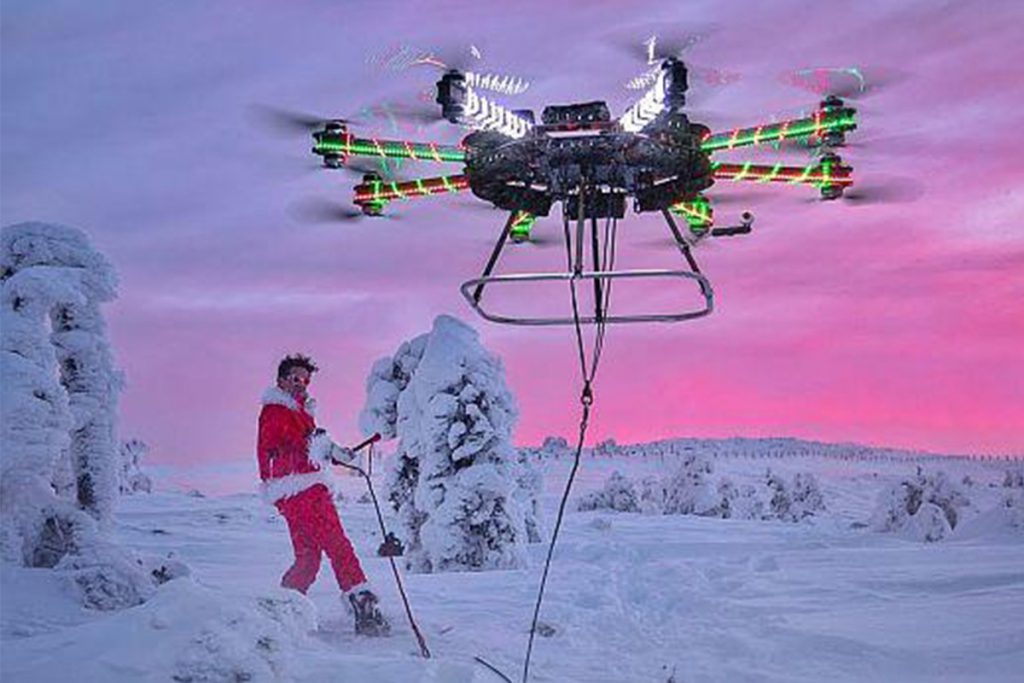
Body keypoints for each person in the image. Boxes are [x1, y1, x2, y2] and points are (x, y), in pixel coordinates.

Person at [257, 353, 390, 636]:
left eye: (305, 380)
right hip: (303, 490)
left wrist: (334, 453)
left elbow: (307, 448)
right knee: (338, 545)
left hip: (293, 493)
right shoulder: (277, 412)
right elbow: (281, 453)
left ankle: (283, 610)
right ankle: (364, 607)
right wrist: (322, 448)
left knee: (308, 557)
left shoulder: (298, 412)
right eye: (294, 378)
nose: (301, 384)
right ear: (280, 381)